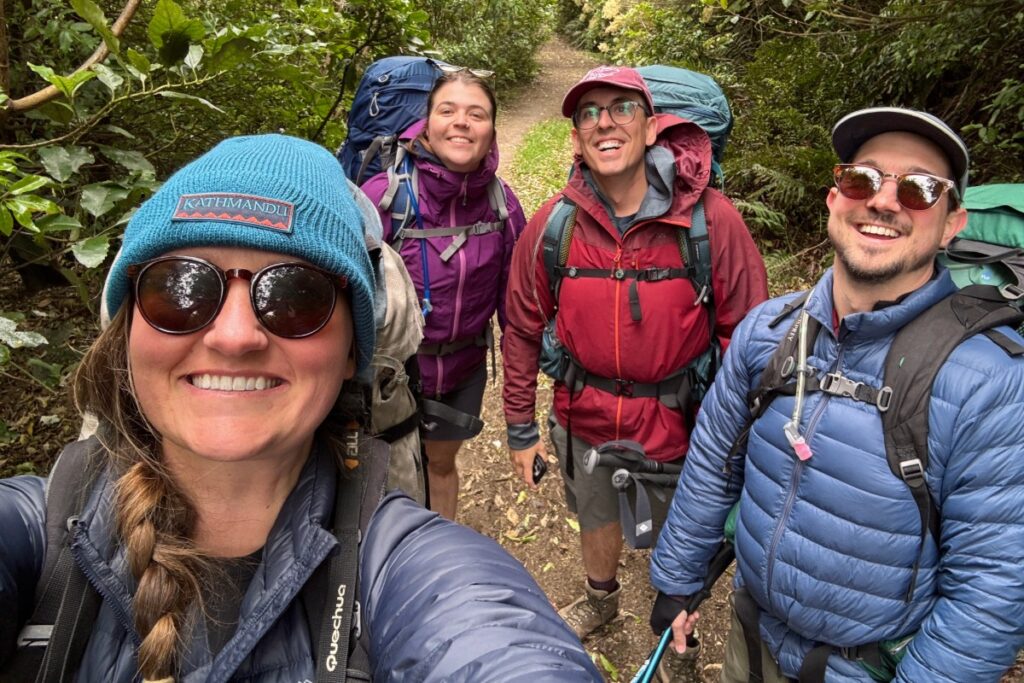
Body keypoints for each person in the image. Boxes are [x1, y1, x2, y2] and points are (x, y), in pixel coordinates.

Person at [0, 134, 601, 682]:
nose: (234, 337)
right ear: (127, 331)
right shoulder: (36, 533)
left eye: (295, 296)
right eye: (179, 289)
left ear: (350, 354)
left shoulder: (409, 566)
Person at [650, 107, 1024, 682]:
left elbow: (993, 585)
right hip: (751, 636)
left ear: (953, 224)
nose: (883, 200)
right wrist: (678, 581)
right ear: (835, 199)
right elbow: (712, 467)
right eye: (862, 178)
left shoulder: (988, 381)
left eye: (921, 189)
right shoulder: (769, 331)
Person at [501, 65, 767, 678]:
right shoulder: (554, 225)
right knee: (595, 513)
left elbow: (749, 335)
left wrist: (738, 435)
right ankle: (601, 600)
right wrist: (519, 426)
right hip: (582, 410)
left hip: (682, 419)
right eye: (588, 114)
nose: (604, 123)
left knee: (686, 536)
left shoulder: (711, 220)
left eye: (621, 108)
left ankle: (677, 635)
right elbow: (519, 325)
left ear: (652, 128)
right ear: (574, 140)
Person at [361, 67, 526, 520]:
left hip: (463, 367)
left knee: (440, 465)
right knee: (381, 470)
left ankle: (438, 554)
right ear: (427, 123)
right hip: (387, 371)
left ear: (491, 130)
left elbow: (517, 304)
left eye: (477, 114)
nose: (461, 122)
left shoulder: (502, 204)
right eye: (447, 110)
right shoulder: (384, 196)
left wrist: (521, 390)